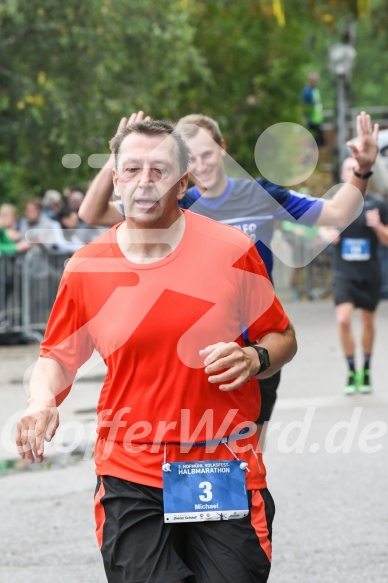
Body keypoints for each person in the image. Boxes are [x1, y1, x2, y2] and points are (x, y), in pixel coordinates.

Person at [16, 120, 297, 583]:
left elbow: (282, 336)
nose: (145, 180)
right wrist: (41, 400)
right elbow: (57, 356)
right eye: (132, 168)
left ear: (183, 181)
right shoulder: (87, 268)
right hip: (130, 467)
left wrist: (255, 359)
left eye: (160, 170)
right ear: (116, 177)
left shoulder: (232, 249)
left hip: (222, 462)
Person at [78, 110, 378, 440]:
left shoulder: (261, 195)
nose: (201, 165)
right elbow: (92, 213)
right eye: (191, 158)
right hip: (197, 345)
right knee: (197, 453)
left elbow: (338, 212)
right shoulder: (174, 204)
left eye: (207, 154)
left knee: (248, 455)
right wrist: (115, 160)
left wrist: (362, 169)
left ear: (222, 148)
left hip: (258, 341)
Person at [320, 157, 388, 395]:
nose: (353, 172)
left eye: (357, 168)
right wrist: (326, 233)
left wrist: (379, 226)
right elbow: (320, 228)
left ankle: (366, 369)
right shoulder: (334, 206)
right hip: (344, 274)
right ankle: (351, 370)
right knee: (343, 319)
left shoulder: (377, 204)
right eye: (349, 169)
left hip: (369, 274)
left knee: (368, 321)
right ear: (342, 176)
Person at [300, 72, 325, 147]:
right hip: (311, 121)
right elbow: (304, 106)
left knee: (320, 142)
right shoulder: (307, 92)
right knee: (314, 143)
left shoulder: (316, 90)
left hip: (317, 120)